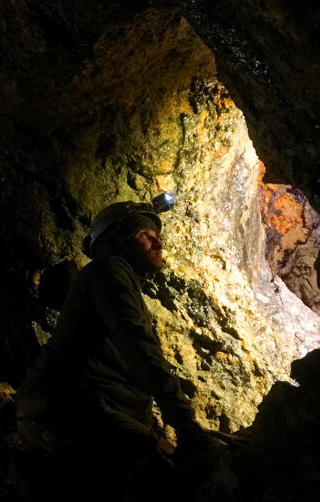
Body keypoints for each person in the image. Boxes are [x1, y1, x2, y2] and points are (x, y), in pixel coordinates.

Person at [16, 197, 220, 496]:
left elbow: (129, 369)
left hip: (81, 408)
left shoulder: (119, 282)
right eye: (145, 235)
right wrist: (183, 420)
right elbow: (138, 345)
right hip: (63, 406)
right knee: (162, 479)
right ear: (117, 240)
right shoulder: (108, 270)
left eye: (157, 235)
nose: (157, 242)